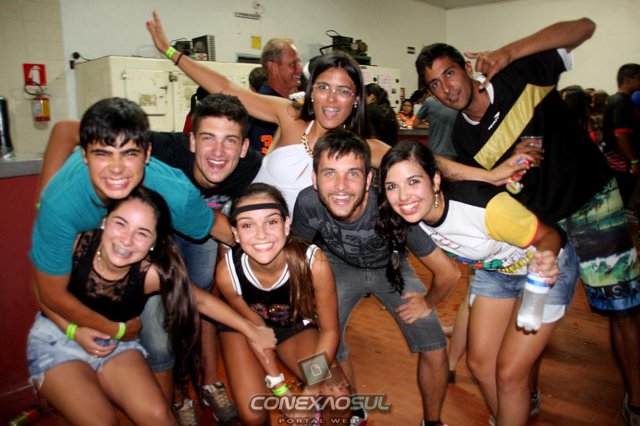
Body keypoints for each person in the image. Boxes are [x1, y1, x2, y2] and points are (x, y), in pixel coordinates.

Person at [416, 18, 640, 424]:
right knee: (529, 311)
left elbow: (585, 27)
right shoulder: (464, 138)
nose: (446, 87)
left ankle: (636, 401)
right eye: (434, 84)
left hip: (592, 199)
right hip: (540, 226)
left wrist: (510, 51)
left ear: (466, 68)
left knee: (623, 305)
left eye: (449, 73)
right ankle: (525, 394)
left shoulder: (519, 74)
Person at [146, 11, 528, 218]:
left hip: (298, 250)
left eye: (344, 91)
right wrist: (170, 52)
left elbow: (430, 163)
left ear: (356, 100)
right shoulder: (288, 116)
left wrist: (489, 175)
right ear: (311, 92)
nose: (332, 99)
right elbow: (227, 88)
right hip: (245, 224)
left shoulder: (363, 148)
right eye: (324, 87)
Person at [37, 94, 263, 424]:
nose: (218, 152)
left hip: (194, 227)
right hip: (148, 239)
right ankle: (175, 399)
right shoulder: (154, 151)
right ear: (191, 140)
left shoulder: (244, 168)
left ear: (243, 147)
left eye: (229, 141)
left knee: (199, 298)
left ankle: (208, 382)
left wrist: (264, 256)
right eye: (208, 138)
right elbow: (66, 129)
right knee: (157, 334)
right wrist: (43, 204)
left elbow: (219, 229)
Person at [27, 186, 276, 426]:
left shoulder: (151, 273)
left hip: (116, 345)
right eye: (120, 223)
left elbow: (200, 300)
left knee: (160, 417)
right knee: (100, 422)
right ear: (104, 221)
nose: (126, 240)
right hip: (58, 335)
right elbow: (41, 291)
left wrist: (252, 330)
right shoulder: (76, 242)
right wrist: (73, 331)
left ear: (154, 244)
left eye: (142, 233)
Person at [378, 140, 580, 425]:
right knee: (480, 364)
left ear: (435, 180)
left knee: (509, 374)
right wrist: (426, 302)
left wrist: (545, 259)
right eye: (392, 186)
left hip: (544, 269)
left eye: (413, 181)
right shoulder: (410, 218)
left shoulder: (481, 207)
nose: (403, 196)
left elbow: (550, 235)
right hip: (496, 271)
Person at [292, 129, 461, 426]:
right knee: (327, 340)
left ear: (369, 179)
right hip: (339, 265)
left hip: (391, 268)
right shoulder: (308, 203)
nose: (341, 186)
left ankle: (432, 422)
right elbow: (295, 257)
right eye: (330, 173)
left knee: (435, 345)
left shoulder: (388, 205)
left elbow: (448, 272)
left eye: (353, 174)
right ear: (314, 179)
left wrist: (427, 303)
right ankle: (354, 408)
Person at [216, 183, 353, 425]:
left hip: (293, 326)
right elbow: (256, 330)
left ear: (286, 225)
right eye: (247, 225)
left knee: (339, 399)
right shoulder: (228, 274)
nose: (261, 234)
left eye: (271, 222)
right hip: (245, 328)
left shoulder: (313, 263)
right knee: (253, 415)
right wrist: (281, 391)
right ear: (235, 234)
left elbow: (330, 331)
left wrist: (309, 394)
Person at [247, 38, 303, 155]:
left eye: (299, 63)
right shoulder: (263, 108)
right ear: (273, 68)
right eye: (293, 64)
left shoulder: (291, 103)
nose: (300, 69)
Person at [602, 64, 640, 209]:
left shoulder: (614, 99)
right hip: (622, 163)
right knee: (625, 201)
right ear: (627, 80)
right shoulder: (622, 103)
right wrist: (634, 160)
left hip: (616, 162)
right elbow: (621, 135)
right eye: (639, 78)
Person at [415, 93, 459, 159]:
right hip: (456, 151)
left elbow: (415, 124)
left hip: (436, 150)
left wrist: (432, 125)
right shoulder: (461, 101)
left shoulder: (429, 101)